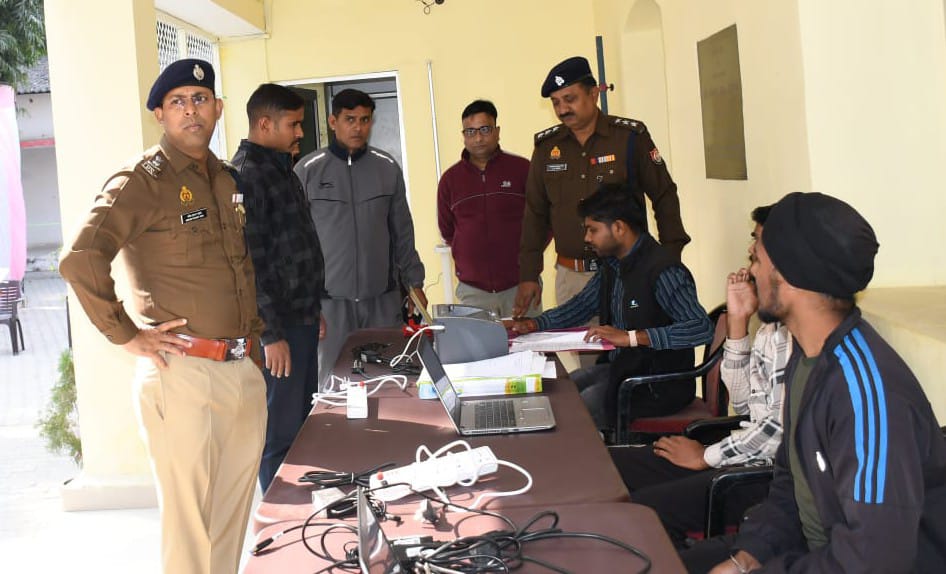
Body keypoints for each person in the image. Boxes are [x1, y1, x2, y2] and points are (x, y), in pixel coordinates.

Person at [59, 59, 265, 574]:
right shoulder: (143, 180)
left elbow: (239, 269)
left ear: (218, 108)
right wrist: (127, 335)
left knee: (230, 521)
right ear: (160, 114)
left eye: (200, 99)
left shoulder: (225, 179)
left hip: (241, 369)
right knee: (190, 529)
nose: (191, 111)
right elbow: (80, 258)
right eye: (178, 102)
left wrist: (255, 349)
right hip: (184, 373)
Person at [701, 192, 946, 574]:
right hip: (811, 553)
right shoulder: (807, 358)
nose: (751, 269)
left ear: (788, 275)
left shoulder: (865, 394)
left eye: (757, 259)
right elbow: (790, 482)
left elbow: (874, 560)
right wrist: (748, 556)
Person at [610, 204, 791, 549]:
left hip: (758, 477)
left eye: (758, 242)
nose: (750, 251)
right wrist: (737, 324)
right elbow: (744, 404)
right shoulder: (772, 329)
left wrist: (706, 456)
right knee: (610, 467)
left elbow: (776, 433)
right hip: (738, 453)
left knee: (640, 512)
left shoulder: (799, 337)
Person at [507, 183, 713, 431]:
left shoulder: (663, 271)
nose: (587, 238)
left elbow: (701, 328)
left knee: (579, 409)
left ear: (619, 228)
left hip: (657, 383)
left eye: (593, 230)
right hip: (625, 370)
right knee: (565, 389)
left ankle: (592, 455)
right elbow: (582, 305)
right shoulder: (614, 265)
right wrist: (536, 323)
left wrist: (632, 337)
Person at [514, 56, 690, 318]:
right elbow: (535, 213)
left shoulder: (629, 138)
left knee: (633, 342)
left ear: (594, 94)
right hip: (573, 277)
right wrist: (529, 274)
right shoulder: (546, 148)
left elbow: (664, 195)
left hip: (628, 273)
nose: (562, 109)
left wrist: (669, 257)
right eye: (556, 102)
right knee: (580, 344)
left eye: (569, 99)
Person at [231, 83, 326, 493]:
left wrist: (312, 308)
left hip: (299, 318)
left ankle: (302, 509)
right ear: (265, 124)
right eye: (294, 124)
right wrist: (270, 335)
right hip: (278, 329)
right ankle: (279, 517)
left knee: (301, 426)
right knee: (279, 433)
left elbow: (294, 247)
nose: (300, 132)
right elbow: (250, 263)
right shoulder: (247, 176)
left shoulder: (281, 168)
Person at [295, 89, 425, 387]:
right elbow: (297, 243)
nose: (358, 127)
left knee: (389, 382)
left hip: (381, 300)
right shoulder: (307, 171)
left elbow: (402, 232)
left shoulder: (386, 167)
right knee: (333, 383)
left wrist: (414, 283)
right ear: (333, 122)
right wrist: (305, 301)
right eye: (350, 119)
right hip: (330, 304)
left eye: (365, 120)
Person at [437, 99, 536, 317]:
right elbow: (448, 231)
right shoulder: (450, 180)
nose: (478, 138)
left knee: (529, 339)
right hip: (473, 291)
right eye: (470, 132)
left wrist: (528, 267)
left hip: (520, 285)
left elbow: (542, 221)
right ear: (463, 136)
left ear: (497, 131)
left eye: (484, 129)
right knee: (479, 341)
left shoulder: (522, 169)